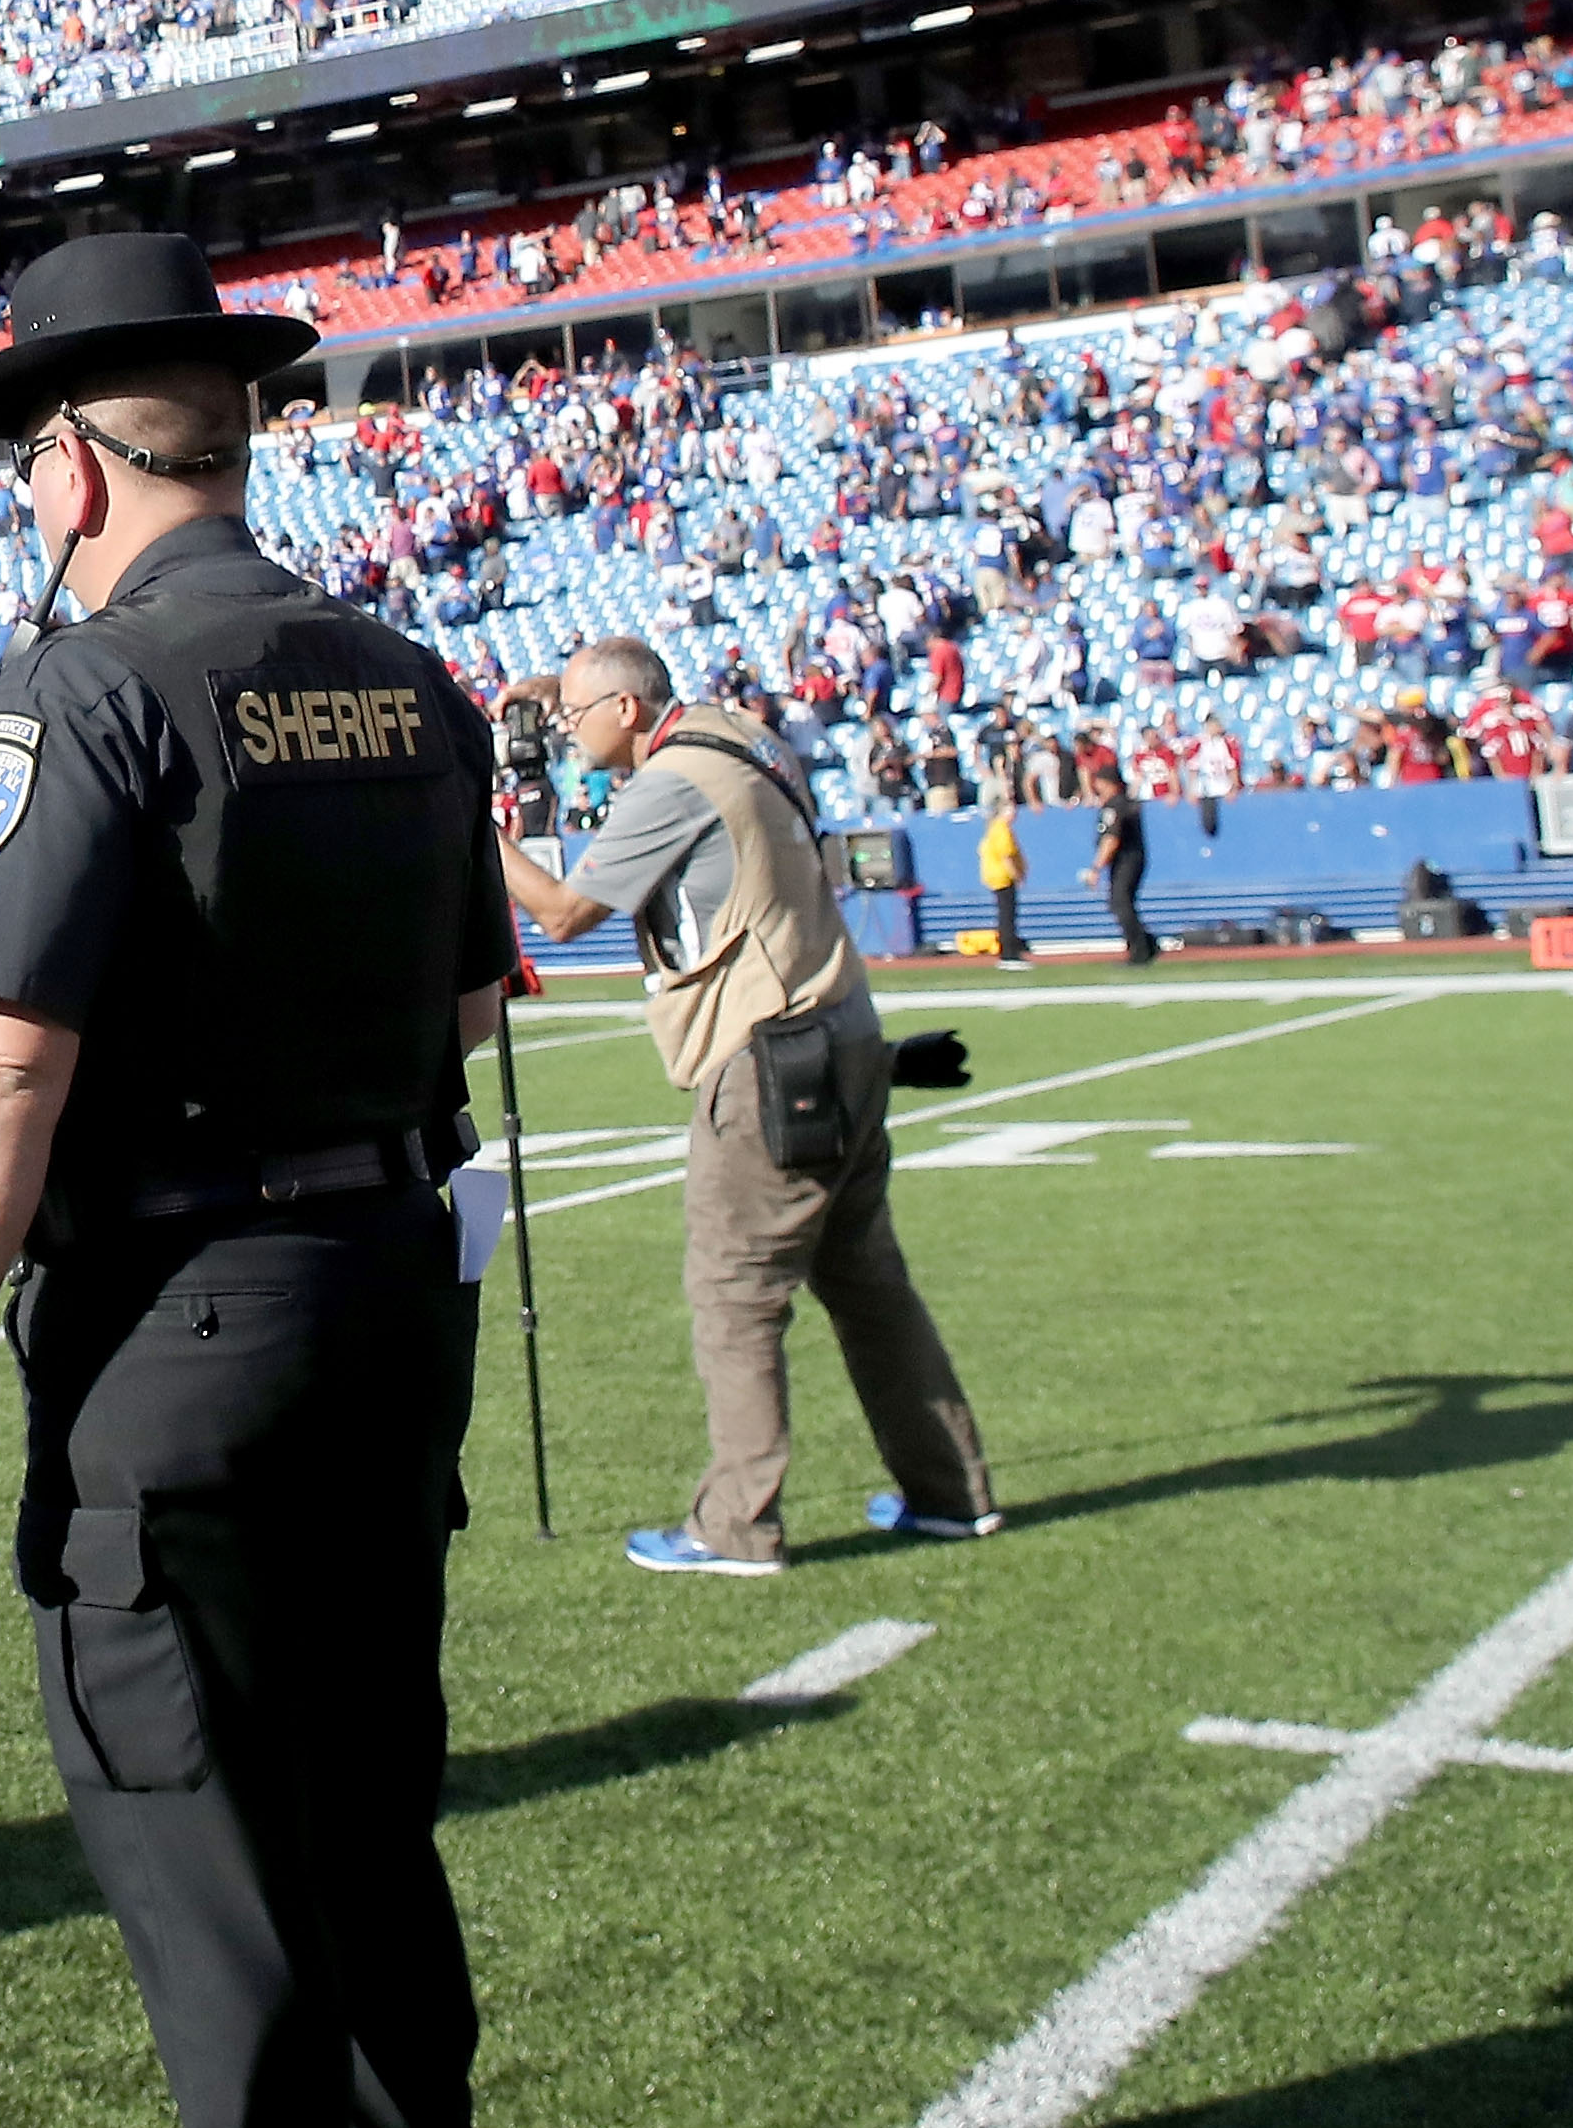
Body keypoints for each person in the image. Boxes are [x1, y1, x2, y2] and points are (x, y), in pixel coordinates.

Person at [0, 230, 518, 2128]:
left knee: (221, 1887)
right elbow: (477, 1007)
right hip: (391, 1286)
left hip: (182, 1325)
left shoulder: (82, 689)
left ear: (72, 466)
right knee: (367, 1837)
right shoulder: (406, 673)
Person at [493, 637, 995, 1577]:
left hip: (767, 1057)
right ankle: (951, 1493)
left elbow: (563, 915)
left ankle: (737, 1524)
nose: (562, 735)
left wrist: (473, 831)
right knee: (868, 1285)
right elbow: (626, 699)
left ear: (628, 714)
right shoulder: (743, 737)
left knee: (734, 1294)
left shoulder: (669, 783)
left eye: (573, 717)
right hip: (845, 1028)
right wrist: (550, 693)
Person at [1086, 744, 1158, 967]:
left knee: (1120, 902)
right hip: (1132, 858)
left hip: (1127, 859)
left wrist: (1096, 867)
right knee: (1121, 902)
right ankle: (1146, 943)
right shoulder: (1122, 804)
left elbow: (1111, 838)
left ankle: (1140, 950)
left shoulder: (1115, 806)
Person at [978, 793, 1030, 962]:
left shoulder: (995, 828)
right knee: (1007, 915)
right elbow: (1006, 856)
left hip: (997, 877)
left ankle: (1009, 947)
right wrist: (1017, 875)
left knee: (1006, 913)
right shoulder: (1001, 828)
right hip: (1003, 877)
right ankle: (1008, 951)